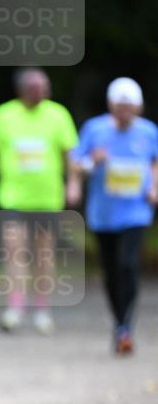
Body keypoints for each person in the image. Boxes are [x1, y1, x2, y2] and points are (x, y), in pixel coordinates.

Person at [0, 68, 78, 334]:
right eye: (35, 88)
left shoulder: (58, 114)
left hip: (47, 199)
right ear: (21, 90)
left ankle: (42, 310)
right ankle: (15, 308)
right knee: (15, 253)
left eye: (45, 87)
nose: (42, 92)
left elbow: (70, 156)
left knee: (43, 256)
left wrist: (74, 183)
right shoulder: (3, 115)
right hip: (13, 198)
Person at [68, 77, 158, 354]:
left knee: (128, 265)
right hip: (104, 213)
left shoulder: (148, 131)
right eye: (120, 106)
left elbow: (154, 161)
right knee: (111, 271)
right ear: (111, 105)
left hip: (136, 211)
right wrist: (90, 163)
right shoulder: (95, 129)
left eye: (130, 107)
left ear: (139, 108)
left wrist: (155, 187)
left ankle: (125, 326)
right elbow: (76, 163)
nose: (125, 112)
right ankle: (120, 323)